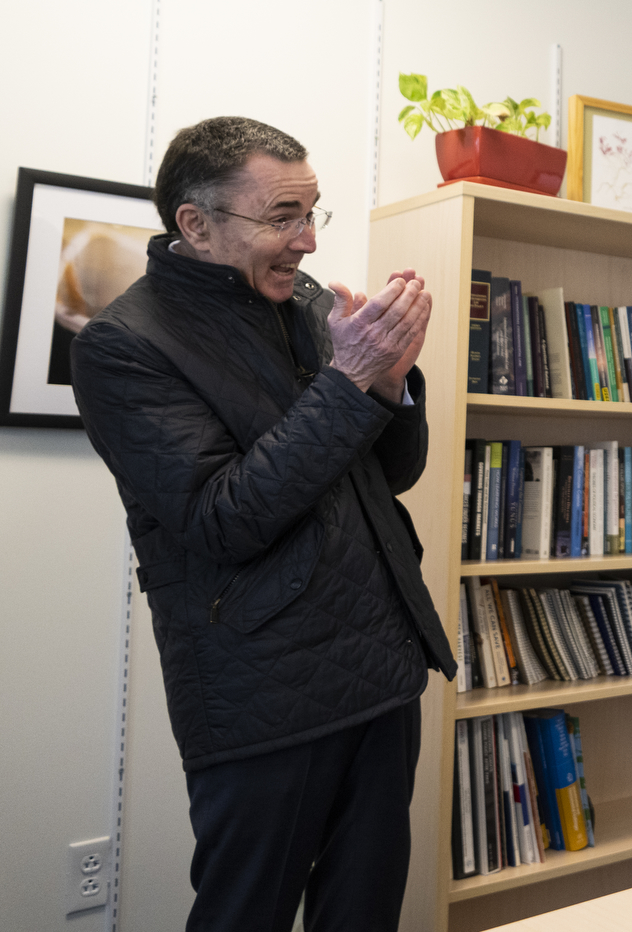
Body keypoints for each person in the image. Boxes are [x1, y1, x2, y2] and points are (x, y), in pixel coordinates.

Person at [69, 116, 457, 931]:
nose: (308, 242)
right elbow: (223, 519)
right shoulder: (121, 346)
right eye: (282, 217)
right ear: (196, 224)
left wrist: (388, 385)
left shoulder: (309, 305)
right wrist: (351, 383)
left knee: (364, 914)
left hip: (381, 671)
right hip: (262, 697)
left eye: (314, 213)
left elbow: (386, 475)